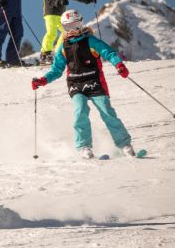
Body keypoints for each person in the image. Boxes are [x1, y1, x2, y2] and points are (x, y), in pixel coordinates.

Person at [31, 9, 135, 159]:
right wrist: (43, 80)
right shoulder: (63, 47)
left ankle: (124, 144)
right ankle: (84, 147)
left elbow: (109, 53)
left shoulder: (91, 40)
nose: (73, 30)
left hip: (95, 82)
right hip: (76, 84)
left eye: (76, 26)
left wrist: (119, 65)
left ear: (81, 23)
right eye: (68, 27)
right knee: (80, 112)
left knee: (107, 112)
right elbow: (56, 70)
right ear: (63, 28)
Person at [39, 0, 97, 65]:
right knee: (52, 32)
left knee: (66, 33)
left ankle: (58, 54)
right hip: (50, 10)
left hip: (61, 13)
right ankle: (45, 55)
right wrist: (59, 1)